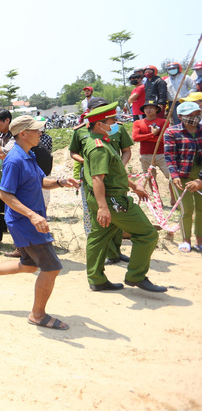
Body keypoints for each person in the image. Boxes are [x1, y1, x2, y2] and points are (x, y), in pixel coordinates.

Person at [0, 116, 78, 330]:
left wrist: (59, 182)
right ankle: (38, 315)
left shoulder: (28, 155)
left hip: (29, 220)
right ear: (23, 134)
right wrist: (33, 215)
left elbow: (39, 181)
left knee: (29, 266)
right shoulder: (15, 160)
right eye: (36, 130)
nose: (41, 133)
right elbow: (5, 195)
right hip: (25, 222)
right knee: (52, 267)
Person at [82, 102, 166, 292]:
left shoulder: (97, 142)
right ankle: (136, 275)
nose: (115, 125)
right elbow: (97, 178)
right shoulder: (99, 148)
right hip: (112, 200)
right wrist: (104, 207)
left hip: (102, 198)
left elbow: (112, 172)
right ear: (99, 125)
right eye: (112, 121)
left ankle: (96, 278)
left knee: (99, 237)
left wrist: (134, 186)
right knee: (147, 234)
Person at [69, 96, 132, 265]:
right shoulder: (80, 131)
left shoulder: (117, 128)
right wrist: (88, 162)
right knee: (97, 214)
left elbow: (126, 150)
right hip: (93, 179)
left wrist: (119, 166)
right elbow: (73, 153)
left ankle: (115, 252)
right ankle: (101, 254)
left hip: (116, 180)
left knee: (119, 212)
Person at [164, 102, 202, 252]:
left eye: (196, 114)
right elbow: (169, 156)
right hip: (181, 176)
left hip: (200, 177)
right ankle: (186, 240)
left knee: (201, 209)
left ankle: (200, 240)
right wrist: (174, 176)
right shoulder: (171, 132)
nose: (194, 117)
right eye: (190, 115)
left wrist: (200, 181)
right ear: (180, 117)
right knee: (186, 209)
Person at [132, 98, 169, 181]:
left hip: (161, 154)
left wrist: (145, 137)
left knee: (170, 177)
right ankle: (154, 194)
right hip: (145, 155)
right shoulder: (137, 123)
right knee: (150, 179)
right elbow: (135, 138)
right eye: (146, 108)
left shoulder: (164, 122)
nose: (148, 110)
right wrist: (152, 134)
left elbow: (165, 139)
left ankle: (173, 194)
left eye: (151, 107)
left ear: (156, 109)